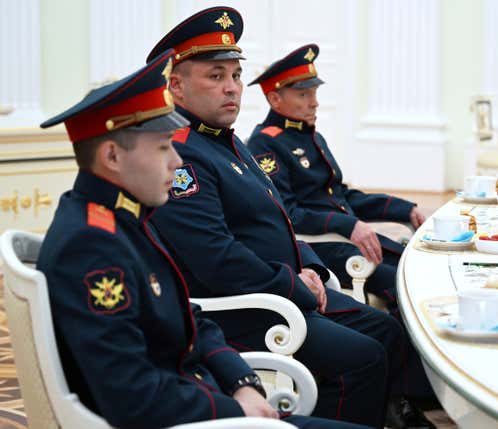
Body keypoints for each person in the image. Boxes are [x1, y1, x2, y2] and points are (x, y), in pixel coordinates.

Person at [37, 49, 365, 429]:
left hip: (212, 399)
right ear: (111, 156)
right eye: (163, 147)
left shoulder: (122, 217)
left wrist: (242, 382)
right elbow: (132, 396)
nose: (177, 161)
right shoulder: (92, 246)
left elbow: (189, 316)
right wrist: (237, 411)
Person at [146, 7, 433, 428]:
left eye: (235, 76)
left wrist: (313, 266)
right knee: (363, 357)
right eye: (215, 76)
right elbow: (215, 256)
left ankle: (394, 412)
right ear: (177, 86)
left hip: (283, 288)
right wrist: (293, 284)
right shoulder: (184, 154)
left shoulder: (227, 143)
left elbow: (276, 222)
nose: (231, 88)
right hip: (246, 309)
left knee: (385, 328)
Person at [246, 44, 427, 316]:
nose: (314, 102)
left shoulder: (312, 137)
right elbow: (287, 214)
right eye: (303, 94)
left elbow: (339, 195)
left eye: (315, 93)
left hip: (346, 240)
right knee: (405, 283)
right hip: (321, 247)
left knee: (418, 265)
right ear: (274, 100)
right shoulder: (265, 143)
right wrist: (347, 224)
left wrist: (405, 209)